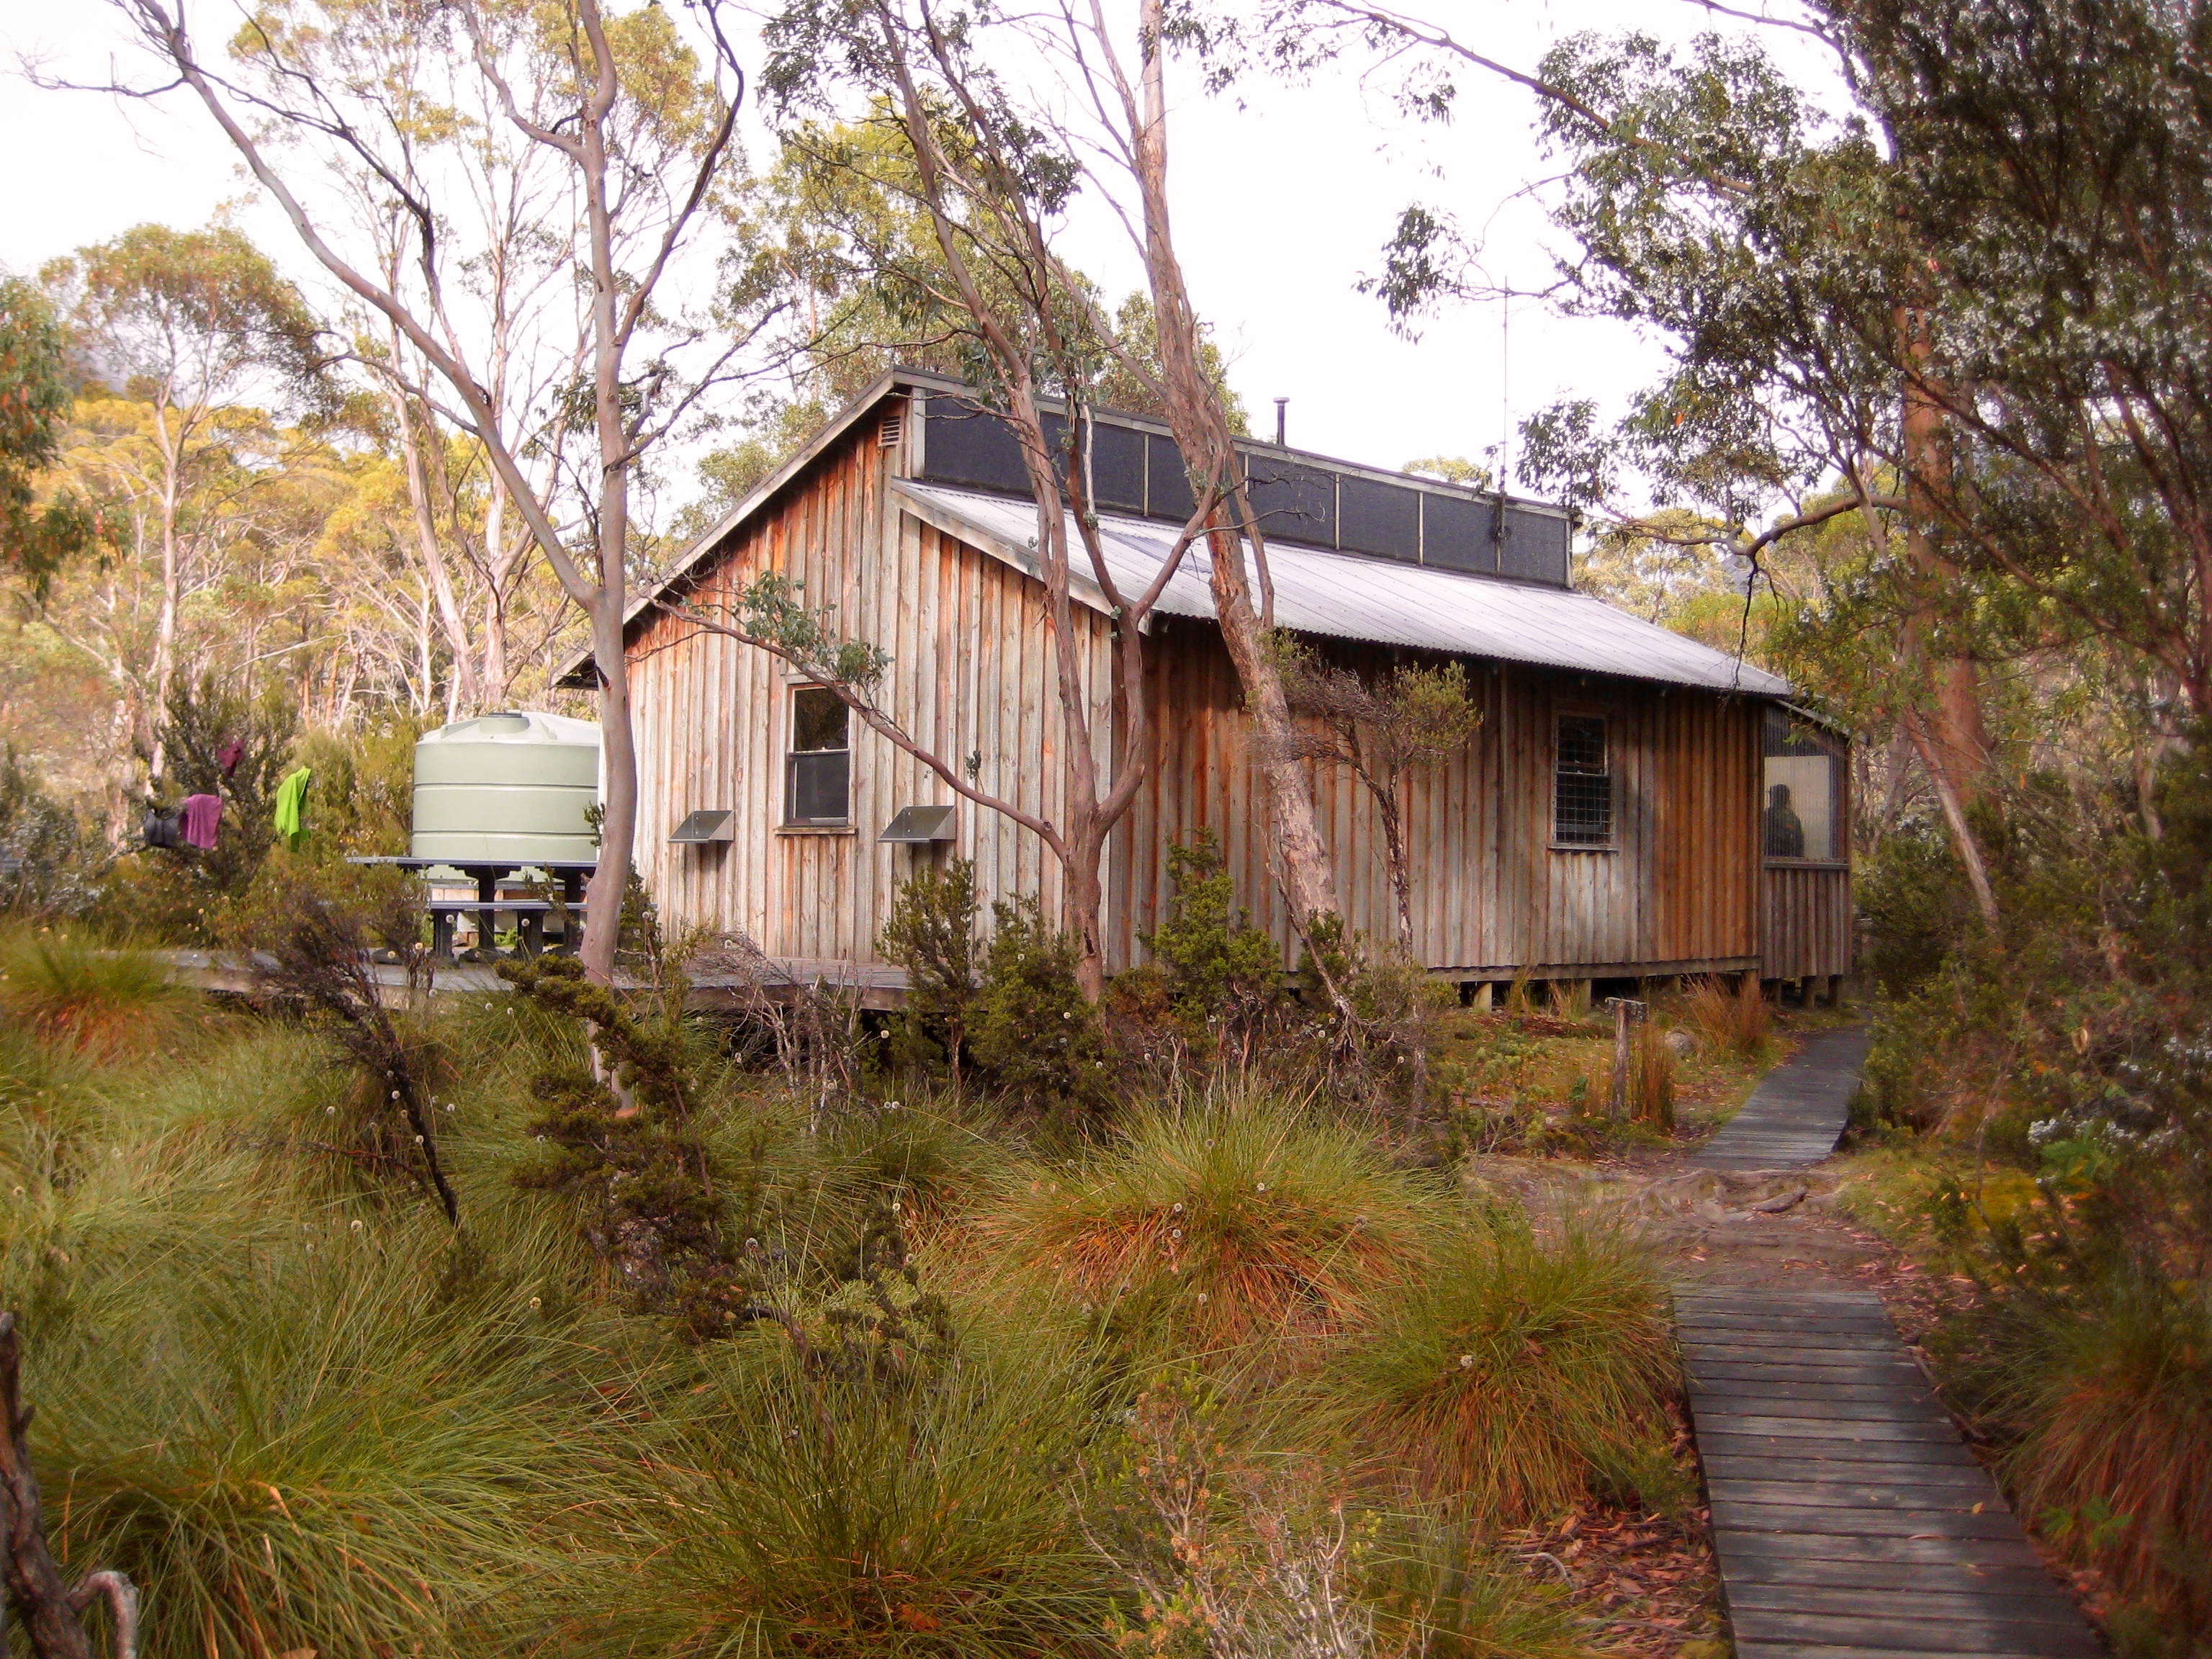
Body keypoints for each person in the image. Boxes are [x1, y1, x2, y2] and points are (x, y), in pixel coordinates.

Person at [1765, 781, 1806, 858]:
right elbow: (1799, 844)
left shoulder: (1767, 815)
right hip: (1790, 862)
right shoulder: (1793, 818)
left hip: (1770, 861)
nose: (1770, 798)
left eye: (1771, 795)